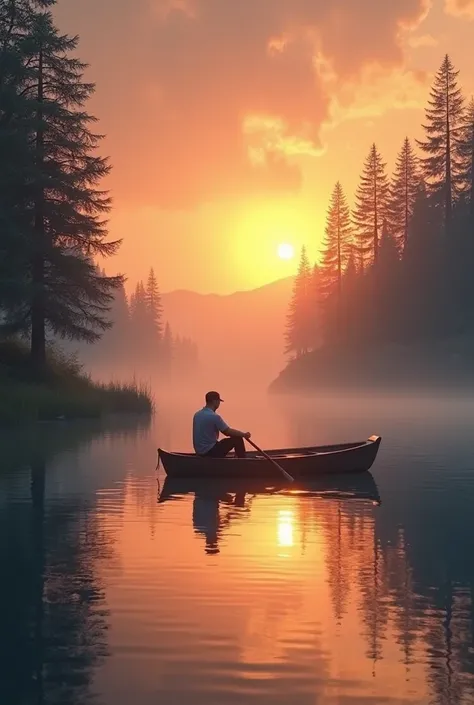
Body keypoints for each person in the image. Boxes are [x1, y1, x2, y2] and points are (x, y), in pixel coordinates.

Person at [193, 391, 251, 458]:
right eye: (219, 401)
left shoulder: (197, 415)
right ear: (215, 401)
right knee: (237, 439)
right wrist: (244, 434)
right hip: (210, 452)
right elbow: (227, 432)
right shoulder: (214, 416)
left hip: (199, 452)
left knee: (230, 439)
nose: (219, 404)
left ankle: (237, 457)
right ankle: (243, 462)